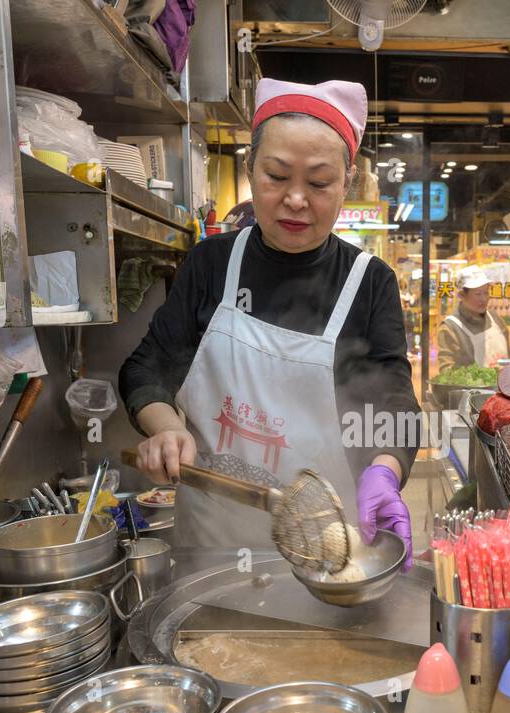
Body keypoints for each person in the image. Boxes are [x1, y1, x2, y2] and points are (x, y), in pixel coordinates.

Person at [119, 77, 419, 567]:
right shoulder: (210, 263)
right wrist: (166, 427)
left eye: (319, 182)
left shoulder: (369, 282)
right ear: (249, 169)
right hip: (211, 545)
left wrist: (384, 469)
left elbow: (391, 399)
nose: (296, 199)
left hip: (328, 547)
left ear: (347, 184)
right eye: (277, 176)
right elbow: (146, 366)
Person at [436, 265, 510, 370]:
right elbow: (446, 370)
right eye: (478, 294)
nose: (484, 299)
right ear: (462, 295)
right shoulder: (450, 328)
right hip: (470, 387)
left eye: (486, 292)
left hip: (503, 386)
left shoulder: (495, 319)